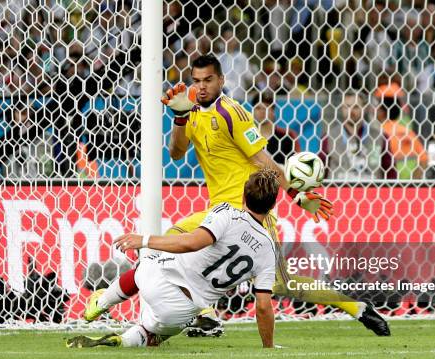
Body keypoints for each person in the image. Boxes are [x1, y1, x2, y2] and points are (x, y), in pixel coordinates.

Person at [160, 54, 389, 336]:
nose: (202, 86)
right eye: (196, 81)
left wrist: (296, 194)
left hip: (250, 211)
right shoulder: (191, 111)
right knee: (171, 242)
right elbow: (176, 152)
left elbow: (262, 159)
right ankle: (206, 316)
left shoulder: (233, 113)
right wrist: (180, 117)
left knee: (282, 283)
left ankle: (358, 308)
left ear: (221, 80)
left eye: (208, 80)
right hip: (219, 211)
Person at [66, 169, 280, 348]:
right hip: (182, 310)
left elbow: (191, 242)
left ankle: (102, 302)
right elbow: (263, 306)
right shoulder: (269, 249)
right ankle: (123, 340)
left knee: (148, 261)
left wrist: (144, 240)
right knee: (155, 333)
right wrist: (268, 346)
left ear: (243, 196)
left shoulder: (227, 213)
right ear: (272, 206)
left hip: (157, 278)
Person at [321, 91, 383, 180]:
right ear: (342, 108)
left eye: (356, 107)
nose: (351, 111)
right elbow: (321, 168)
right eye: (347, 106)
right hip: (339, 191)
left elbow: (390, 170)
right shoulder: (329, 137)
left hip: (371, 190)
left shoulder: (379, 136)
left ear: (364, 108)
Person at [252, 92, 301, 163]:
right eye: (258, 108)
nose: (262, 111)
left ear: (273, 111)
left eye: (266, 107)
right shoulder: (250, 137)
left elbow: (297, 163)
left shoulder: (288, 135)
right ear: (253, 111)